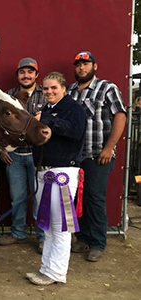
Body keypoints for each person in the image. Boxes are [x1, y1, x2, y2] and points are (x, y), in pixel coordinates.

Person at [26, 71, 86, 285]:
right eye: (46, 88)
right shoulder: (48, 110)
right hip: (46, 171)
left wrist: (50, 120)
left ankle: (56, 272)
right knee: (48, 225)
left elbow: (76, 132)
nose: (49, 92)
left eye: (53, 88)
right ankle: (47, 268)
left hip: (62, 173)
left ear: (63, 88)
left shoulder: (73, 109)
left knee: (60, 226)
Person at [68, 51, 127, 262]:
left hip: (98, 155)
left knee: (94, 197)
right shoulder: (70, 92)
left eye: (86, 64)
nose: (82, 68)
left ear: (95, 66)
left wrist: (109, 147)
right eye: (78, 65)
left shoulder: (107, 88)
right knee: (77, 198)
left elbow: (120, 116)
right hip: (76, 156)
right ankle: (82, 237)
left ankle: (97, 242)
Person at [0, 58, 46, 253]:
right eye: (22, 72)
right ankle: (18, 233)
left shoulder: (47, 94)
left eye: (30, 72)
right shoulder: (8, 96)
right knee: (16, 197)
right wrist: (2, 148)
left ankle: (42, 237)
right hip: (15, 155)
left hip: (38, 155)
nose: (26, 75)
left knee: (39, 198)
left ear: (36, 74)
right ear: (17, 75)